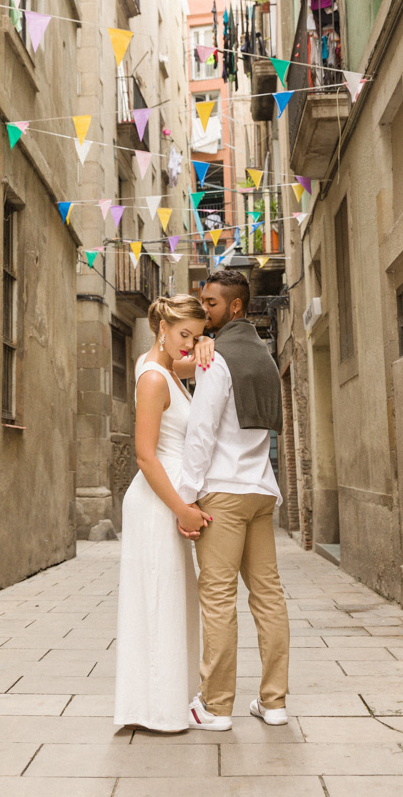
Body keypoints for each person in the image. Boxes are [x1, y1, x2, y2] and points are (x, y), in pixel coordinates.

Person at [178, 269, 290, 731]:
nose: (204, 310)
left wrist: (186, 499)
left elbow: (201, 433)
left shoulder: (218, 359)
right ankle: (275, 702)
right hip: (260, 490)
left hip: (222, 493)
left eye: (210, 303)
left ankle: (217, 706)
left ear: (236, 307)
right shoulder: (263, 357)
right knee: (268, 596)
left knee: (219, 597)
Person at [114, 295, 214, 733]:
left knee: (170, 600)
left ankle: (163, 702)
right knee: (158, 600)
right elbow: (144, 455)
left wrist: (210, 346)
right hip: (157, 504)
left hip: (168, 501)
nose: (189, 345)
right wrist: (182, 509)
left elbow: (199, 365)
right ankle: (154, 710)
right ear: (163, 330)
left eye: (196, 336)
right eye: (184, 335)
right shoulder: (154, 379)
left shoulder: (168, 365)